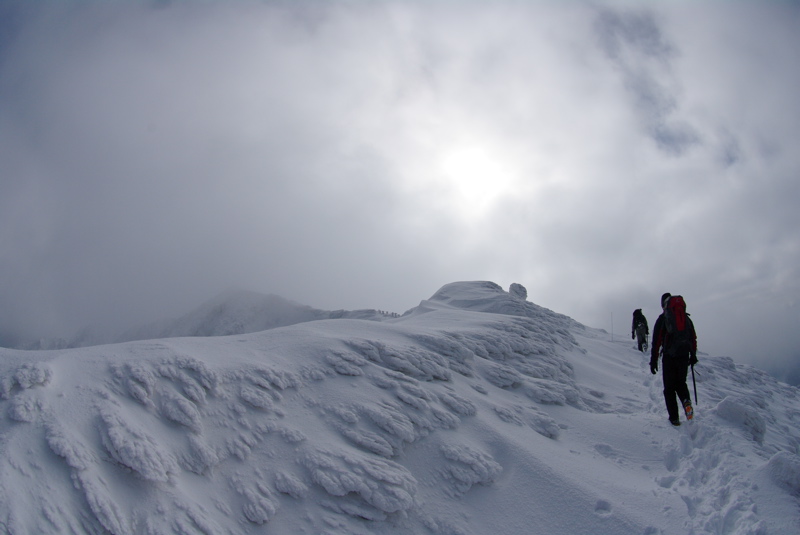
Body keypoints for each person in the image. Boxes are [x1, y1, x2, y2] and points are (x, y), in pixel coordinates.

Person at [650, 293, 698, 426]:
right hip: (684, 356)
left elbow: (656, 341)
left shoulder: (663, 319)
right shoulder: (686, 319)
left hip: (669, 357)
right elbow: (692, 337)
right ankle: (686, 402)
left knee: (669, 388)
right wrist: (693, 355)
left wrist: (653, 360)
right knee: (681, 383)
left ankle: (674, 418)